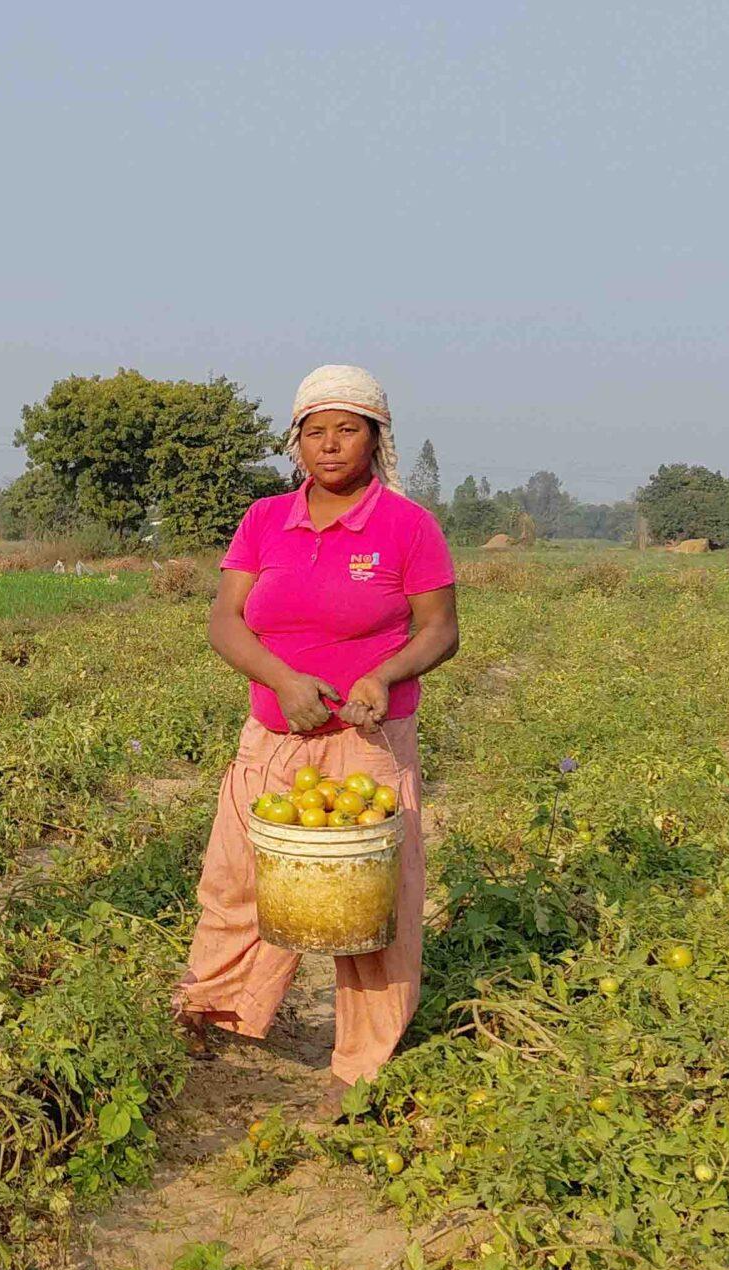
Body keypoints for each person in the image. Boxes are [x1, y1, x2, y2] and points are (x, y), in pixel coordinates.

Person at [176, 364, 459, 1106]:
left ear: (375, 437)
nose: (330, 444)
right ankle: (216, 1019)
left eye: (347, 429)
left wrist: (386, 676)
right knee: (237, 880)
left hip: (366, 743)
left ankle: (362, 1063)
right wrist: (282, 681)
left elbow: (441, 629)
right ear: (295, 441)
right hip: (274, 737)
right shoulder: (265, 518)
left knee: (371, 905)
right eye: (315, 431)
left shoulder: (407, 525)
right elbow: (223, 620)